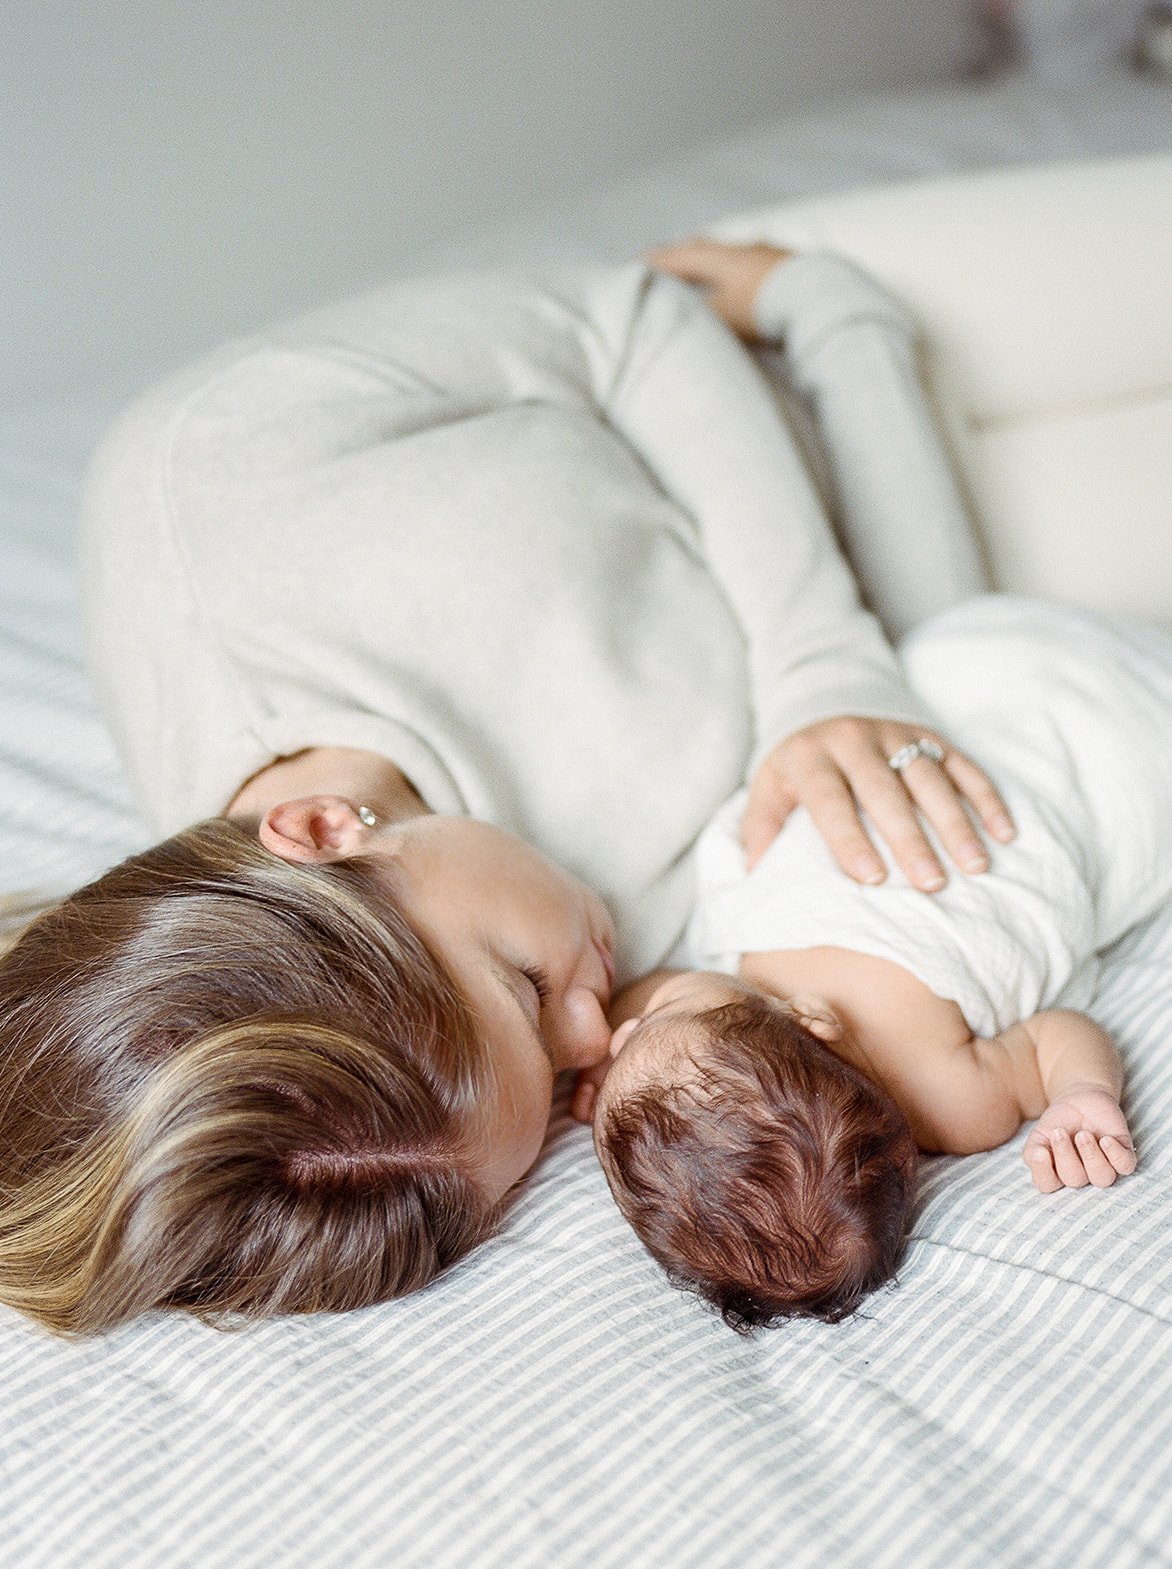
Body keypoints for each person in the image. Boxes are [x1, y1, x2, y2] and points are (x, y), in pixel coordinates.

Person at [0, 240, 1011, 1335]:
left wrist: (826, 660)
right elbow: (944, 706)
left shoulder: (226, 462)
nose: (596, 1036)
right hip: (990, 588)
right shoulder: (528, 1023)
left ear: (324, 827)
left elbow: (626, 318)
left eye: (529, 993)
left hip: (773, 334)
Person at [573, 595, 1169, 1332]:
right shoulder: (942, 1094)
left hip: (1011, 708)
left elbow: (665, 998)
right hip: (1060, 710)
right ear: (807, 1021)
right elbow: (1058, 1035)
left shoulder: (761, 976)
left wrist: (628, 1059)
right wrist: (1084, 1089)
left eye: (643, 1026)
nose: (624, 1028)